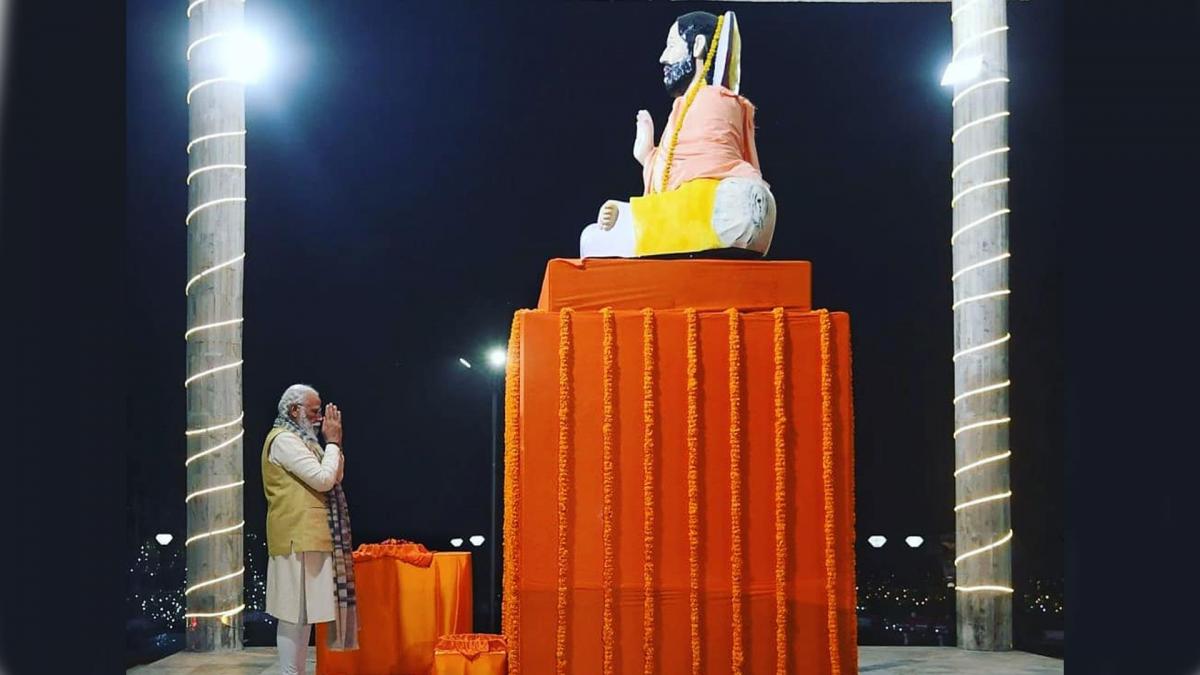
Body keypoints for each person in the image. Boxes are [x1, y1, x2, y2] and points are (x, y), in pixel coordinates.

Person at [580, 10, 777, 259]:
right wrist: (647, 156)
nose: (663, 58)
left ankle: (633, 216)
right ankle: (635, 217)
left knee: (594, 238)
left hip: (726, 206)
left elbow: (701, 173)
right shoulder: (696, 103)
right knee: (600, 234)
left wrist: (634, 206)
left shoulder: (712, 98)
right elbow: (686, 173)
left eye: (672, 46)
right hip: (735, 208)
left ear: (698, 46)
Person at [262, 384, 357, 675]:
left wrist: (333, 444)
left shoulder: (304, 441)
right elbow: (323, 480)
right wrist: (333, 442)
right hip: (296, 536)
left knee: (303, 616)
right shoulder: (284, 440)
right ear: (294, 411)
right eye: (314, 411)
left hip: (311, 536)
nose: (319, 418)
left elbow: (335, 475)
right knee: (294, 614)